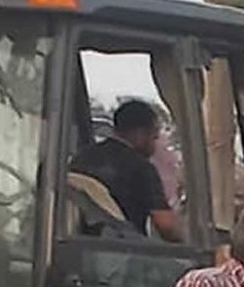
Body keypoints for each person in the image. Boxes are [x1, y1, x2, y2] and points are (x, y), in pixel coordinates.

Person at [72, 99, 182, 241]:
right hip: (123, 252)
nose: (155, 139)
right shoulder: (141, 168)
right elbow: (166, 226)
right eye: (154, 134)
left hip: (80, 244)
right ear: (139, 133)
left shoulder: (81, 158)